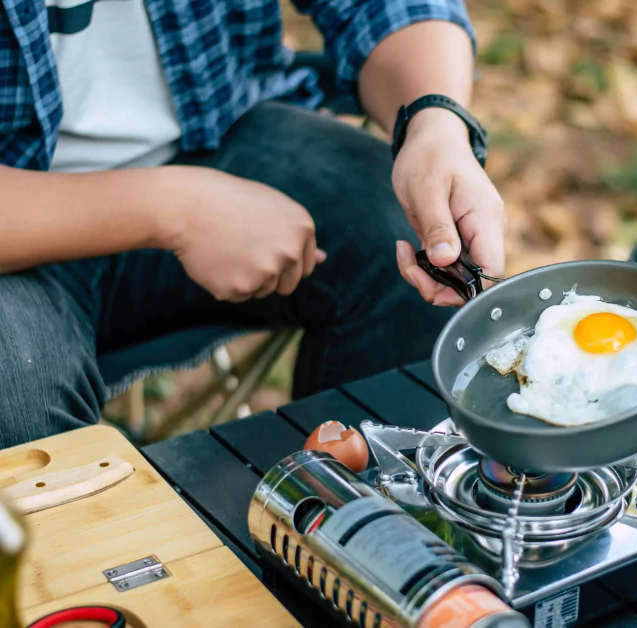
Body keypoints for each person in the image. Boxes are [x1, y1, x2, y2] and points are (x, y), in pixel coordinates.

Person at [0, 0, 506, 449]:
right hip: (23, 217)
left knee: (404, 244)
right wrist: (175, 207)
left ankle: (355, 524)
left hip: (218, 129)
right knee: (13, 395)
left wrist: (435, 124)